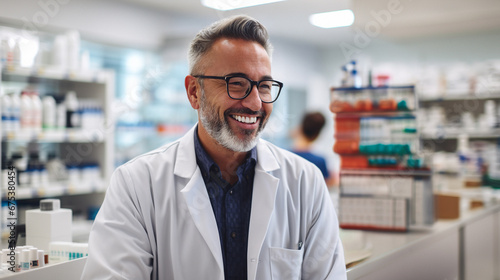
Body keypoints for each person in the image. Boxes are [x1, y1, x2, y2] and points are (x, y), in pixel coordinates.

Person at [81, 15, 346, 280]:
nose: (255, 103)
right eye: (237, 84)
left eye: (264, 86)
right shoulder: (136, 185)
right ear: (194, 91)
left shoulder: (305, 182)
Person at [291, 111, 336, 187]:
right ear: (317, 134)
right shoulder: (319, 161)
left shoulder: (285, 155)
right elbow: (326, 185)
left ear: (300, 127)